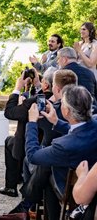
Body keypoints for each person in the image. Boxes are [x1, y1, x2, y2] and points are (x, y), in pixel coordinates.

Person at [25, 85, 97, 219]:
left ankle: (27, 206)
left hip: (73, 190)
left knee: (46, 169)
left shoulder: (63, 145)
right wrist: (57, 122)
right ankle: (26, 206)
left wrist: (32, 122)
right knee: (46, 167)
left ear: (66, 111)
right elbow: (81, 131)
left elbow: (32, 156)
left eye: (62, 103)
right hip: (92, 181)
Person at [0, 67, 55, 198]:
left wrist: (17, 88)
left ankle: (11, 186)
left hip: (29, 146)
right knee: (11, 140)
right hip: (47, 144)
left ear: (46, 84)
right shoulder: (59, 100)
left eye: (43, 81)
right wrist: (37, 85)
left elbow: (9, 112)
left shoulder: (33, 102)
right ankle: (16, 179)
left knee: (10, 141)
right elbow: (43, 96)